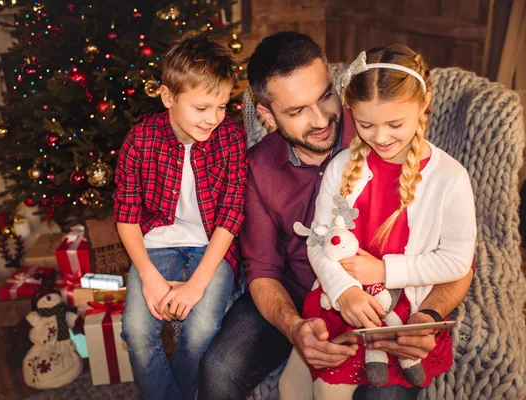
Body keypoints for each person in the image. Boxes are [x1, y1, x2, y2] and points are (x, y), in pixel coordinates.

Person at [198, 31, 474, 400]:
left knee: (383, 396)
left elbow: (458, 262)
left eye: (325, 96)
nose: (321, 119)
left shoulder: (376, 121)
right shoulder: (259, 169)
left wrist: (427, 315)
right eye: (297, 111)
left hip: (388, 301)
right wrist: (295, 328)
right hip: (296, 293)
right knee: (218, 372)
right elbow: (262, 272)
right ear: (267, 115)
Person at [279, 44, 477, 399]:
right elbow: (318, 242)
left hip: (399, 311)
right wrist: (345, 291)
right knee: (290, 387)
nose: (381, 138)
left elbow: (457, 260)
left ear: (423, 103)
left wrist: (383, 271)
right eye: (366, 124)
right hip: (341, 300)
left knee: (327, 392)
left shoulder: (450, 177)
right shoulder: (341, 167)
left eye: (395, 124)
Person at [113, 34, 247, 400]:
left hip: (212, 248)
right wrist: (149, 277)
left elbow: (232, 214)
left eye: (221, 106)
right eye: (202, 108)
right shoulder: (139, 141)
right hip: (153, 247)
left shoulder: (231, 138)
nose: (213, 119)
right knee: (137, 332)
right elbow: (126, 217)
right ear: (168, 97)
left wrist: (197, 284)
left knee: (201, 329)